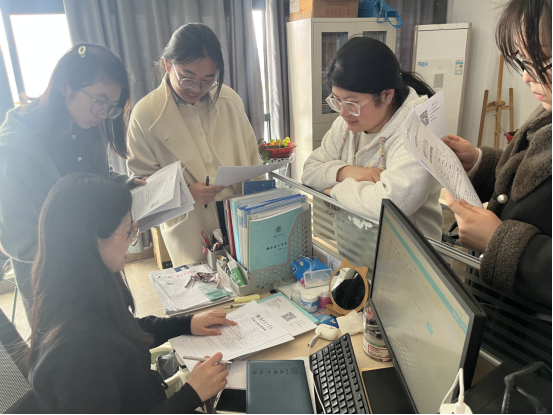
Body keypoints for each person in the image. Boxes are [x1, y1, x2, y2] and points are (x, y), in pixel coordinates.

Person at [27, 173, 235, 413]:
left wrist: (186, 323)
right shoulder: (79, 353)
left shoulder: (77, 290)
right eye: (128, 232)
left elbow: (126, 329)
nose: (132, 240)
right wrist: (191, 394)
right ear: (92, 239)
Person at [0, 43, 146, 314]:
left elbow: (94, 179)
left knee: (115, 329)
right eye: (99, 101)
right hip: (53, 283)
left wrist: (123, 184)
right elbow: (18, 239)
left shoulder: (86, 124)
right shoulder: (14, 148)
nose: (103, 114)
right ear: (66, 85)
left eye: (112, 107)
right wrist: (87, 250)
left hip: (99, 266)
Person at [445, 0, 552, 310]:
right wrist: (479, 163)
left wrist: (497, 241)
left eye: (542, 61)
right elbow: (530, 187)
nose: (527, 77)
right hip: (498, 314)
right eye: (523, 61)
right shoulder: (545, 112)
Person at [127, 23, 261, 266]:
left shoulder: (229, 100)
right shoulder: (145, 114)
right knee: (203, 284)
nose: (197, 89)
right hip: (190, 225)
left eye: (207, 81)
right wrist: (185, 193)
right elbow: (142, 191)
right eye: (187, 79)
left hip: (241, 215)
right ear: (168, 65)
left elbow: (253, 159)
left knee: (252, 276)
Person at [302, 37, 443, 240]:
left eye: (352, 103)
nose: (343, 112)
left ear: (387, 96)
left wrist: (334, 191)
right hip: (356, 248)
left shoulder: (418, 131)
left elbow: (390, 204)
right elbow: (309, 172)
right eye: (337, 100)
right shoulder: (346, 123)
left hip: (404, 252)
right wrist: (347, 172)